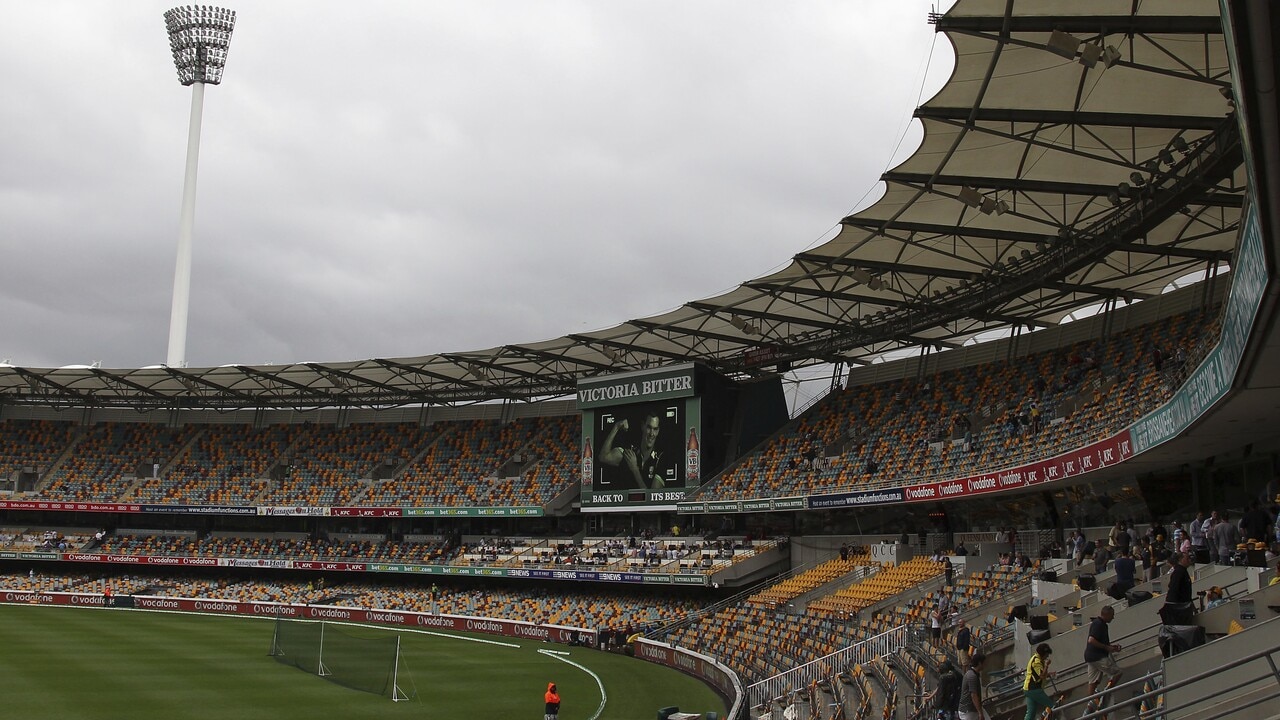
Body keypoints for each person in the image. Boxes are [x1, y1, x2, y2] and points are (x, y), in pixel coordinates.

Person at [598, 412, 672, 489]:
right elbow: (603, 457)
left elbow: (651, 498)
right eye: (649, 428)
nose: (651, 434)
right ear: (643, 426)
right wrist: (616, 427)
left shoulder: (660, 458)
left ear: (658, 431)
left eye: (655, 429)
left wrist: (635, 469)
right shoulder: (630, 452)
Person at [1084, 606, 1122, 705]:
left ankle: (1090, 704)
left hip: (1091, 657)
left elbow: (1101, 642)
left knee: (1093, 682)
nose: (1113, 618)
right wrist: (1106, 647)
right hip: (1097, 657)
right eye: (1112, 615)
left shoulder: (1101, 624)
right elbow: (1091, 640)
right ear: (1107, 615)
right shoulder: (1098, 624)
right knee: (1117, 673)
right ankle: (1107, 694)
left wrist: (1112, 647)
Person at [1023, 643, 1054, 720]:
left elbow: (1039, 673)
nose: (1047, 657)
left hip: (1028, 689)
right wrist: (1047, 666)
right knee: (1052, 706)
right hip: (1033, 689)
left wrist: (1049, 674)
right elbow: (1041, 676)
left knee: (1031, 713)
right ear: (1043, 654)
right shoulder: (1036, 661)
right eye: (1046, 655)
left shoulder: (1038, 659)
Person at [957, 652, 987, 720]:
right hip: (968, 711)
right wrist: (980, 713)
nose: (985, 665)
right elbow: (973, 695)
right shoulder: (972, 676)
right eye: (984, 663)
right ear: (979, 663)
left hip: (970, 709)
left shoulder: (972, 673)